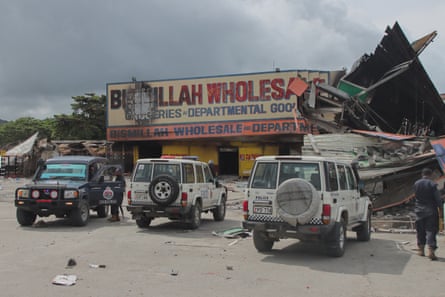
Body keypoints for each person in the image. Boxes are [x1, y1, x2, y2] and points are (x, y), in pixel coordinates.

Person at [413, 168, 444, 260]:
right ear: (430, 175)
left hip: (419, 210)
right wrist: (441, 209)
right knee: (431, 230)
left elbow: (416, 196)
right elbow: (438, 199)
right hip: (431, 210)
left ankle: (421, 250)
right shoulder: (432, 184)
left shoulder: (416, 183)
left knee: (420, 230)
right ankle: (431, 250)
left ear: (422, 174)